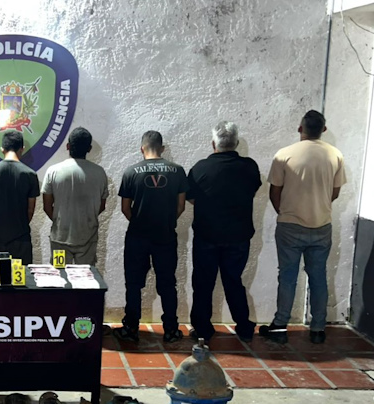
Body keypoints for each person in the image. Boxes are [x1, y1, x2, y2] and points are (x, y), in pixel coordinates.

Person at [260, 110, 346, 344]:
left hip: (290, 225)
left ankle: (280, 327)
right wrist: (319, 207)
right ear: (323, 130)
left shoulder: (284, 154)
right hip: (322, 225)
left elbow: (274, 191)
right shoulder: (335, 155)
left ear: (300, 128)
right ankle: (318, 329)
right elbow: (335, 192)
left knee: (287, 277)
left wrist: (285, 212)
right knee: (318, 277)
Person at [187, 122, 261, 343]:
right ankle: (244, 326)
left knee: (203, 283)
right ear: (236, 143)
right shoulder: (250, 167)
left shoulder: (200, 168)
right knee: (234, 281)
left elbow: (191, 198)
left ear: (213, 144)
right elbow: (252, 191)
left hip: (207, 235)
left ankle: (202, 329)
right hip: (238, 236)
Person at [115, 131, 187, 344]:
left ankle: (131, 328)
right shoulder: (177, 171)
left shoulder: (131, 172)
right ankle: (171, 330)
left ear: (142, 149)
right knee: (168, 283)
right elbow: (181, 206)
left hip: (137, 236)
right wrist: (166, 221)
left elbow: (125, 208)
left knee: (133, 284)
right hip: (165, 235)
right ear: (162, 148)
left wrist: (139, 222)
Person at [41, 127, 108, 265]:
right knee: (86, 276)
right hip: (88, 237)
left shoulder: (53, 171)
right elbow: (101, 206)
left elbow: (47, 206)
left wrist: (60, 220)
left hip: (60, 238)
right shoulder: (99, 172)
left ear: (68, 146)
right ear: (89, 149)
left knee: (59, 275)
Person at [0, 130, 40, 264]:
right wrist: (20, 223)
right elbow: (30, 210)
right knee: (22, 276)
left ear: (2, 149)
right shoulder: (30, 175)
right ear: (22, 149)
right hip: (22, 239)